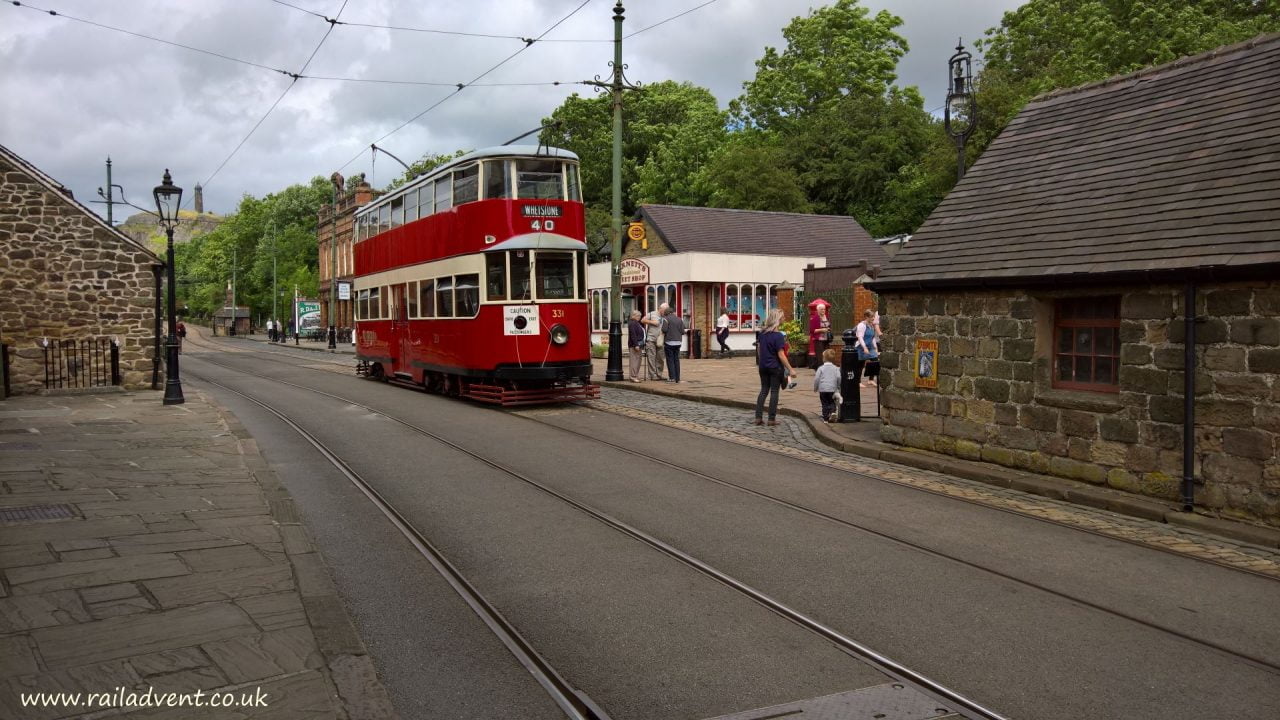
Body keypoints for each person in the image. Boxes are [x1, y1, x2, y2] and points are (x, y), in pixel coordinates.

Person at [754, 308, 796, 426]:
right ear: (778, 319)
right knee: (774, 392)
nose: (784, 319)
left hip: (763, 366)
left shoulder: (762, 334)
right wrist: (790, 369)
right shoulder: (778, 336)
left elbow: (759, 350)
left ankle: (758, 417)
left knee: (763, 391)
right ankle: (771, 419)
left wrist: (763, 360)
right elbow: (781, 355)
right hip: (774, 367)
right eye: (782, 317)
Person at [813, 348, 840, 423]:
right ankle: (833, 412)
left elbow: (817, 379)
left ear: (823, 358)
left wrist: (815, 388)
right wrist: (838, 386)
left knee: (824, 403)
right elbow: (838, 377)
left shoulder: (821, 368)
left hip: (823, 389)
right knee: (832, 402)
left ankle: (825, 419)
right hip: (832, 388)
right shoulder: (836, 368)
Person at [854, 309, 879, 387]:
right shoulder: (862, 325)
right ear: (866, 317)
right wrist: (864, 348)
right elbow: (860, 337)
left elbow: (873, 338)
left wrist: (875, 347)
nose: (873, 318)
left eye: (873, 317)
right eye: (871, 317)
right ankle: (858, 382)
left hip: (870, 346)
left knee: (874, 361)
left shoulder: (872, 325)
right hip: (861, 347)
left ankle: (870, 380)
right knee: (860, 365)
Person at [643, 304, 666, 380]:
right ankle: (652, 375)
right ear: (660, 309)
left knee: (660, 358)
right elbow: (643, 320)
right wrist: (652, 322)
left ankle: (659, 374)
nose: (665, 312)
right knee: (651, 357)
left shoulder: (665, 316)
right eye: (664, 310)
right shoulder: (651, 314)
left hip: (661, 340)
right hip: (651, 339)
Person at [663, 306, 686, 383]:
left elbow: (664, 330)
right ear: (673, 312)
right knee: (676, 360)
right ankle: (677, 378)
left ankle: (672, 378)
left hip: (669, 342)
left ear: (667, 313)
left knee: (670, 360)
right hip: (678, 342)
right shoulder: (680, 319)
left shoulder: (666, 319)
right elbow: (683, 332)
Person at [808, 303, 831, 369]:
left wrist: (828, 329)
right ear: (817, 310)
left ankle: (826, 369)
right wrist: (822, 330)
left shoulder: (827, 316)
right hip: (818, 340)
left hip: (826, 339)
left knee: (827, 355)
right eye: (821, 309)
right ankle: (820, 369)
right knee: (820, 356)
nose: (823, 311)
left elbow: (829, 326)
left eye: (824, 309)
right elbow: (812, 331)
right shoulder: (815, 318)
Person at [627, 310, 645, 382]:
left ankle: (635, 375)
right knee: (634, 361)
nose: (639, 317)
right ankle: (633, 376)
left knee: (638, 361)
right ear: (633, 316)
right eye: (638, 316)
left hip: (638, 344)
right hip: (635, 345)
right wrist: (636, 345)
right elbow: (633, 335)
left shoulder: (636, 323)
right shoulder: (632, 323)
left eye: (640, 316)